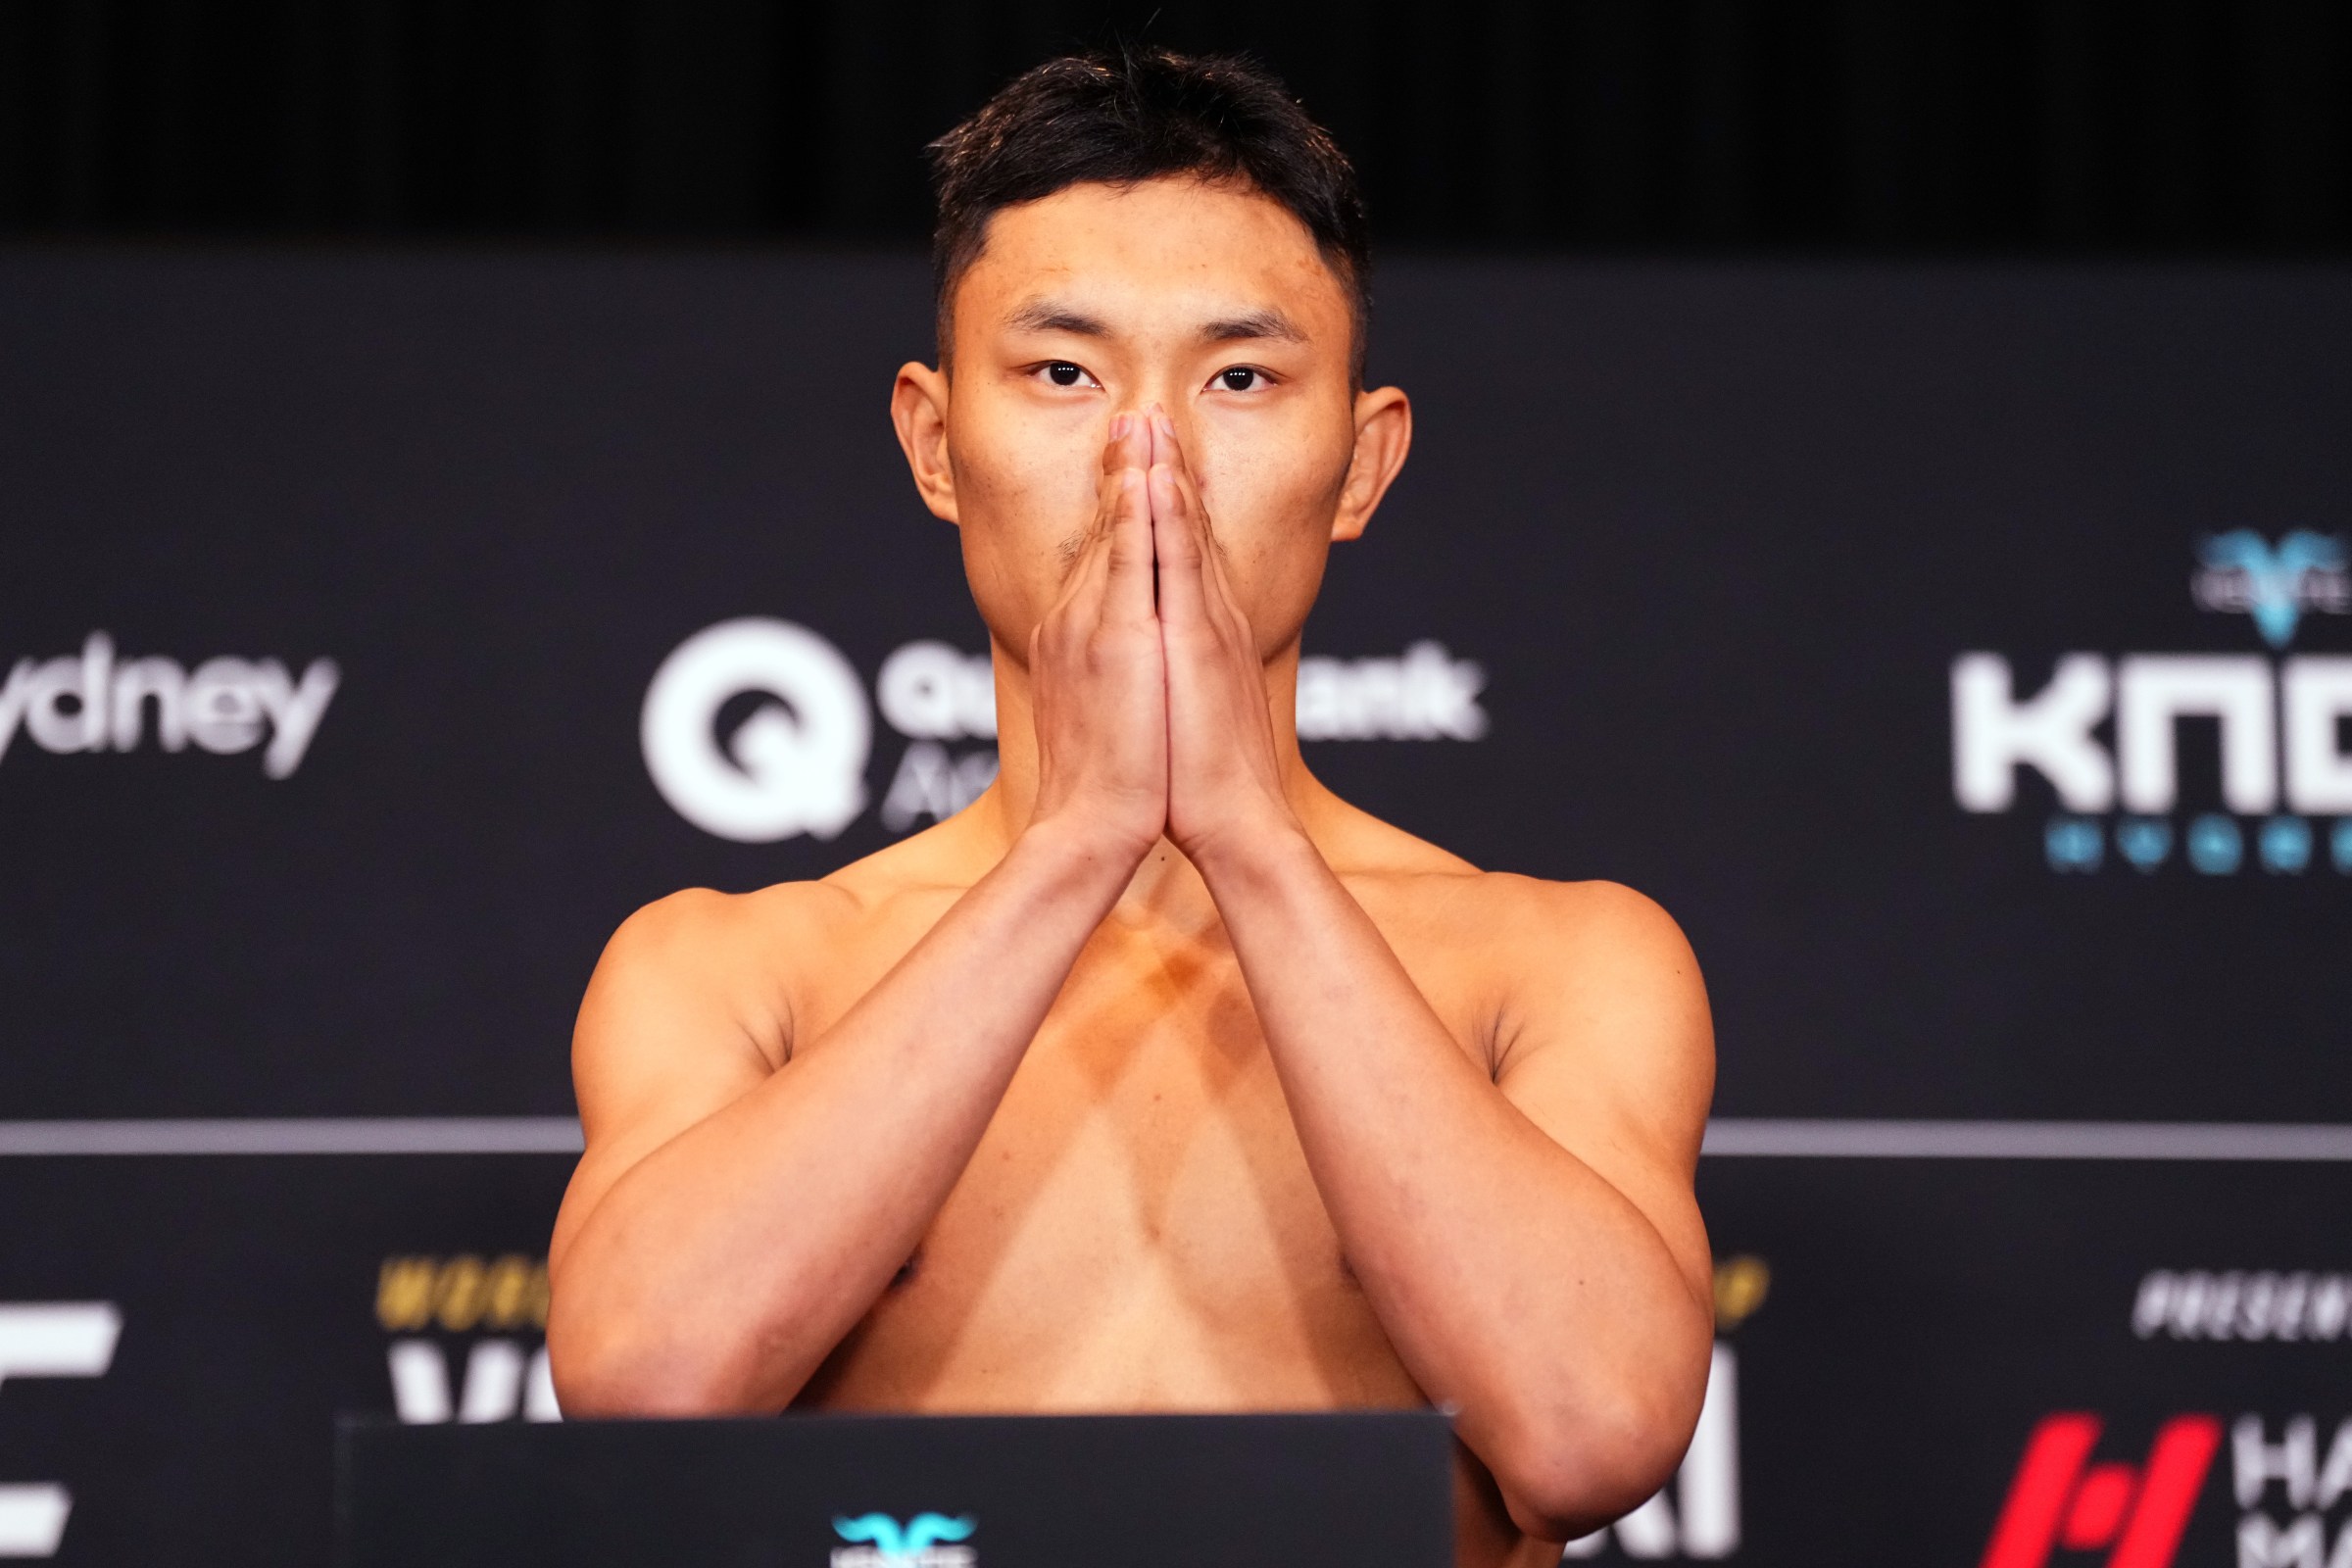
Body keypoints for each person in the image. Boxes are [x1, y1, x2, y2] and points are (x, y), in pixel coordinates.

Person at [546, 47, 1716, 1567]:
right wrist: (1078, 841)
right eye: (1062, 373)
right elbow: (643, 1393)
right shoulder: (734, 971)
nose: (1142, 457)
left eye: (1239, 377)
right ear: (932, 442)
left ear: (1360, 462)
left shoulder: (1559, 966)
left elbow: (1588, 1434)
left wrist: (1242, 834)